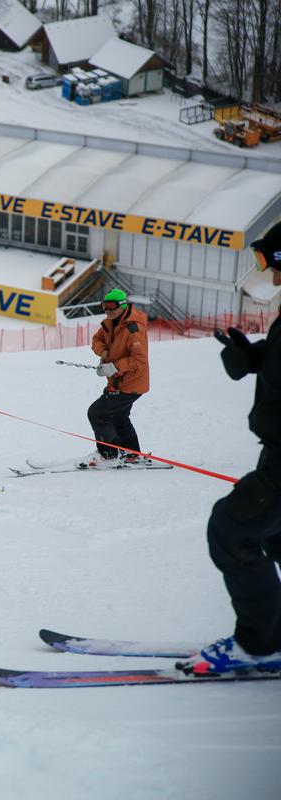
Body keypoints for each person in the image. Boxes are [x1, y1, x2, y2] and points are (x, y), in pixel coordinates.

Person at [178, 227, 281, 676]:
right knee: (273, 536)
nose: (270, 276)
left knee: (231, 530)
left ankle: (261, 645)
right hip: (274, 449)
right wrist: (253, 357)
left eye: (269, 264)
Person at [82, 288, 149, 467]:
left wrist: (114, 366)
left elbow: (139, 360)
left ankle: (108, 455)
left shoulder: (134, 329)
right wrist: (105, 354)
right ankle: (132, 454)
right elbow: (96, 340)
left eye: (111, 306)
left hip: (131, 383)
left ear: (123, 305)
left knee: (98, 413)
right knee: (119, 416)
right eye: (104, 306)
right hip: (119, 381)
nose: (107, 310)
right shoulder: (110, 323)